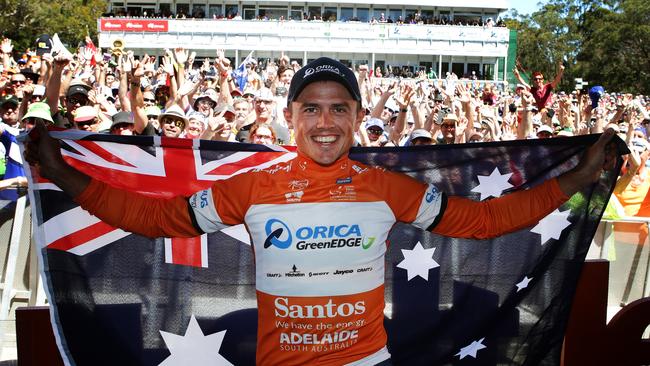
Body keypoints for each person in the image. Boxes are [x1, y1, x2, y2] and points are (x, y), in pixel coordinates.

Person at [26, 57, 616, 366]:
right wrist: (63, 173)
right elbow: (160, 221)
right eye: (311, 109)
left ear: (357, 117)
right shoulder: (254, 186)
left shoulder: (385, 186)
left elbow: (484, 223)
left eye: (338, 108)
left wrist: (579, 177)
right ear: (291, 116)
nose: (325, 122)